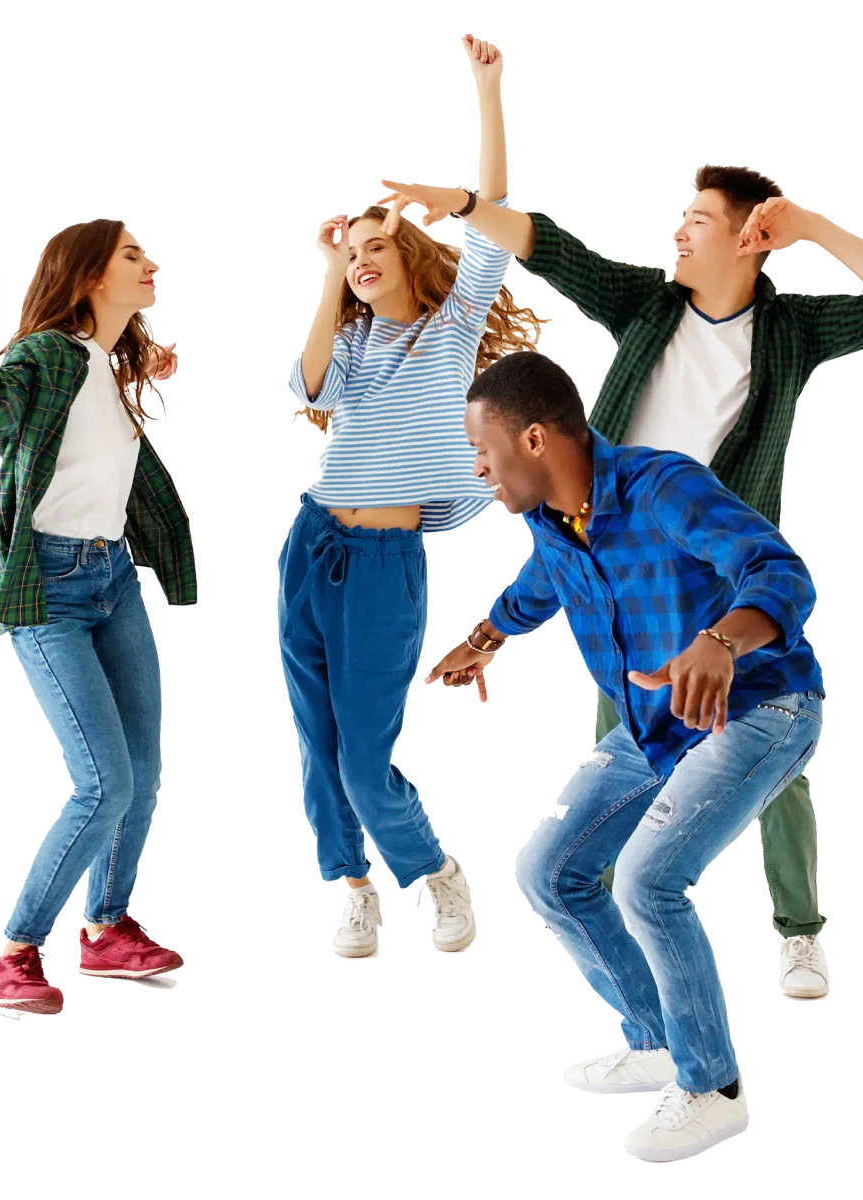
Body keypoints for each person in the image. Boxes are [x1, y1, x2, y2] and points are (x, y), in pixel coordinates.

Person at [378, 165, 863, 998]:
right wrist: (458, 206)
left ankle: (798, 928)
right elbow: (552, 248)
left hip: (722, 581)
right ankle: (625, 963)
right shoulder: (649, 304)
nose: (677, 232)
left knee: (770, 758)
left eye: (698, 220)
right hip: (627, 578)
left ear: (750, 238)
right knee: (626, 756)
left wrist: (811, 228)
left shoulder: (788, 331)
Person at [428, 352, 825, 1159]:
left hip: (761, 707)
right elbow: (543, 584)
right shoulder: (553, 522)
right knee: (550, 871)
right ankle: (652, 1041)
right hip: (659, 727)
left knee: (649, 879)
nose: (478, 469)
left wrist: (720, 640)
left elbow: (779, 570)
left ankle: (712, 1087)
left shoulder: (659, 487)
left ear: (534, 439)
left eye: (484, 451)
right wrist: (487, 639)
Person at [281, 36, 547, 957]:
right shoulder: (351, 348)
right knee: (317, 741)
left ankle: (433, 872)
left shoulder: (452, 325)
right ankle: (351, 885)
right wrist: (326, 272)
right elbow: (309, 385)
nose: (360, 259)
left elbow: (494, 206)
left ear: (410, 254)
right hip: (311, 543)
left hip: (388, 560)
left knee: (365, 748)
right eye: (351, 251)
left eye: (373, 246)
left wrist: (488, 87)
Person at [0, 221, 194, 1016]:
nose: (145, 264)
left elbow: (96, 447)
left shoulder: (107, 366)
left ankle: (106, 929)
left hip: (111, 577)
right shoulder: (46, 354)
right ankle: (14, 953)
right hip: (48, 587)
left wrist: (141, 376)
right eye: (127, 256)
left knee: (141, 774)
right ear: (85, 277)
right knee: (102, 784)